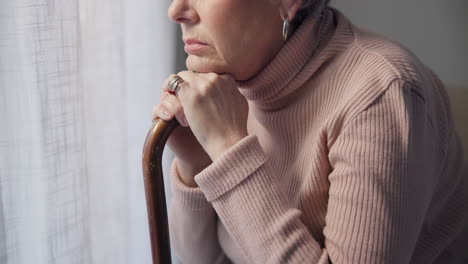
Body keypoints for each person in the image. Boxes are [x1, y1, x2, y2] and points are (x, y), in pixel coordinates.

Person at [151, 0, 468, 263]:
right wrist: (195, 164)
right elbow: (204, 259)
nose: (176, 10)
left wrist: (227, 148)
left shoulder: (381, 95)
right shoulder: (231, 80)